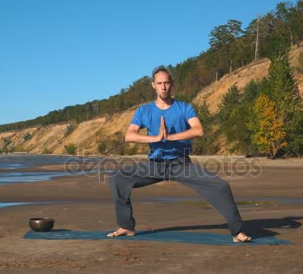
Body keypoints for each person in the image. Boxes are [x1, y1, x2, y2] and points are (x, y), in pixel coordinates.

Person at [107, 65, 251, 243]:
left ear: (172, 84)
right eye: (159, 83)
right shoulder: (144, 110)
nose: (163, 87)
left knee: (221, 186)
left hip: (181, 164)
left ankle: (237, 232)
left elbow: (198, 130)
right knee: (117, 178)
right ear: (153, 85)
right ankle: (127, 227)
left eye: (166, 83)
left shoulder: (184, 108)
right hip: (155, 165)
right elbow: (129, 135)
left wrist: (170, 137)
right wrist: (156, 138)